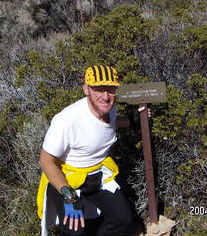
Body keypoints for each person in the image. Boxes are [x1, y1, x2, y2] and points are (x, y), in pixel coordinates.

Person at [37, 65, 145, 236]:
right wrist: (68, 195)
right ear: (86, 89)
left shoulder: (109, 109)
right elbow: (46, 160)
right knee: (76, 231)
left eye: (110, 89)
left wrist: (132, 121)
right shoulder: (67, 120)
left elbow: (109, 123)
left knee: (122, 219)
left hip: (98, 174)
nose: (105, 96)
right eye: (98, 89)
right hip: (67, 178)